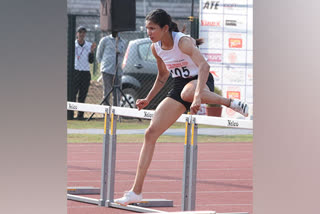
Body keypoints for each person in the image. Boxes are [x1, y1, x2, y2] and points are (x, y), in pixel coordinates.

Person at [114, 9, 249, 205]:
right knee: (150, 133)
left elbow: (204, 67)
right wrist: (148, 98)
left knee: (188, 93)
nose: (148, 33)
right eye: (147, 29)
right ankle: (136, 191)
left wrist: (197, 96)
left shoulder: (183, 42)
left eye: (152, 28)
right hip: (179, 86)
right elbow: (162, 76)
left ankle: (232, 103)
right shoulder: (156, 48)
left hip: (200, 81)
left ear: (165, 28)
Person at [96, 31, 126, 106]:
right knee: (107, 92)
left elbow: (123, 55)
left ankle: (116, 114)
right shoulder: (105, 40)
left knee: (117, 94)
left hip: (118, 71)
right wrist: (104, 65)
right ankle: (106, 113)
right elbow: (99, 55)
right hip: (107, 70)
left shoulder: (122, 42)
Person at [73, 26, 96, 120]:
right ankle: (70, 114)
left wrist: (92, 52)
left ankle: (80, 115)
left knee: (82, 95)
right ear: (77, 34)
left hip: (85, 72)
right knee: (72, 94)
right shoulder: (73, 44)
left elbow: (91, 61)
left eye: (84, 33)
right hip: (75, 71)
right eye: (80, 32)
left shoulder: (88, 45)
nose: (82, 35)